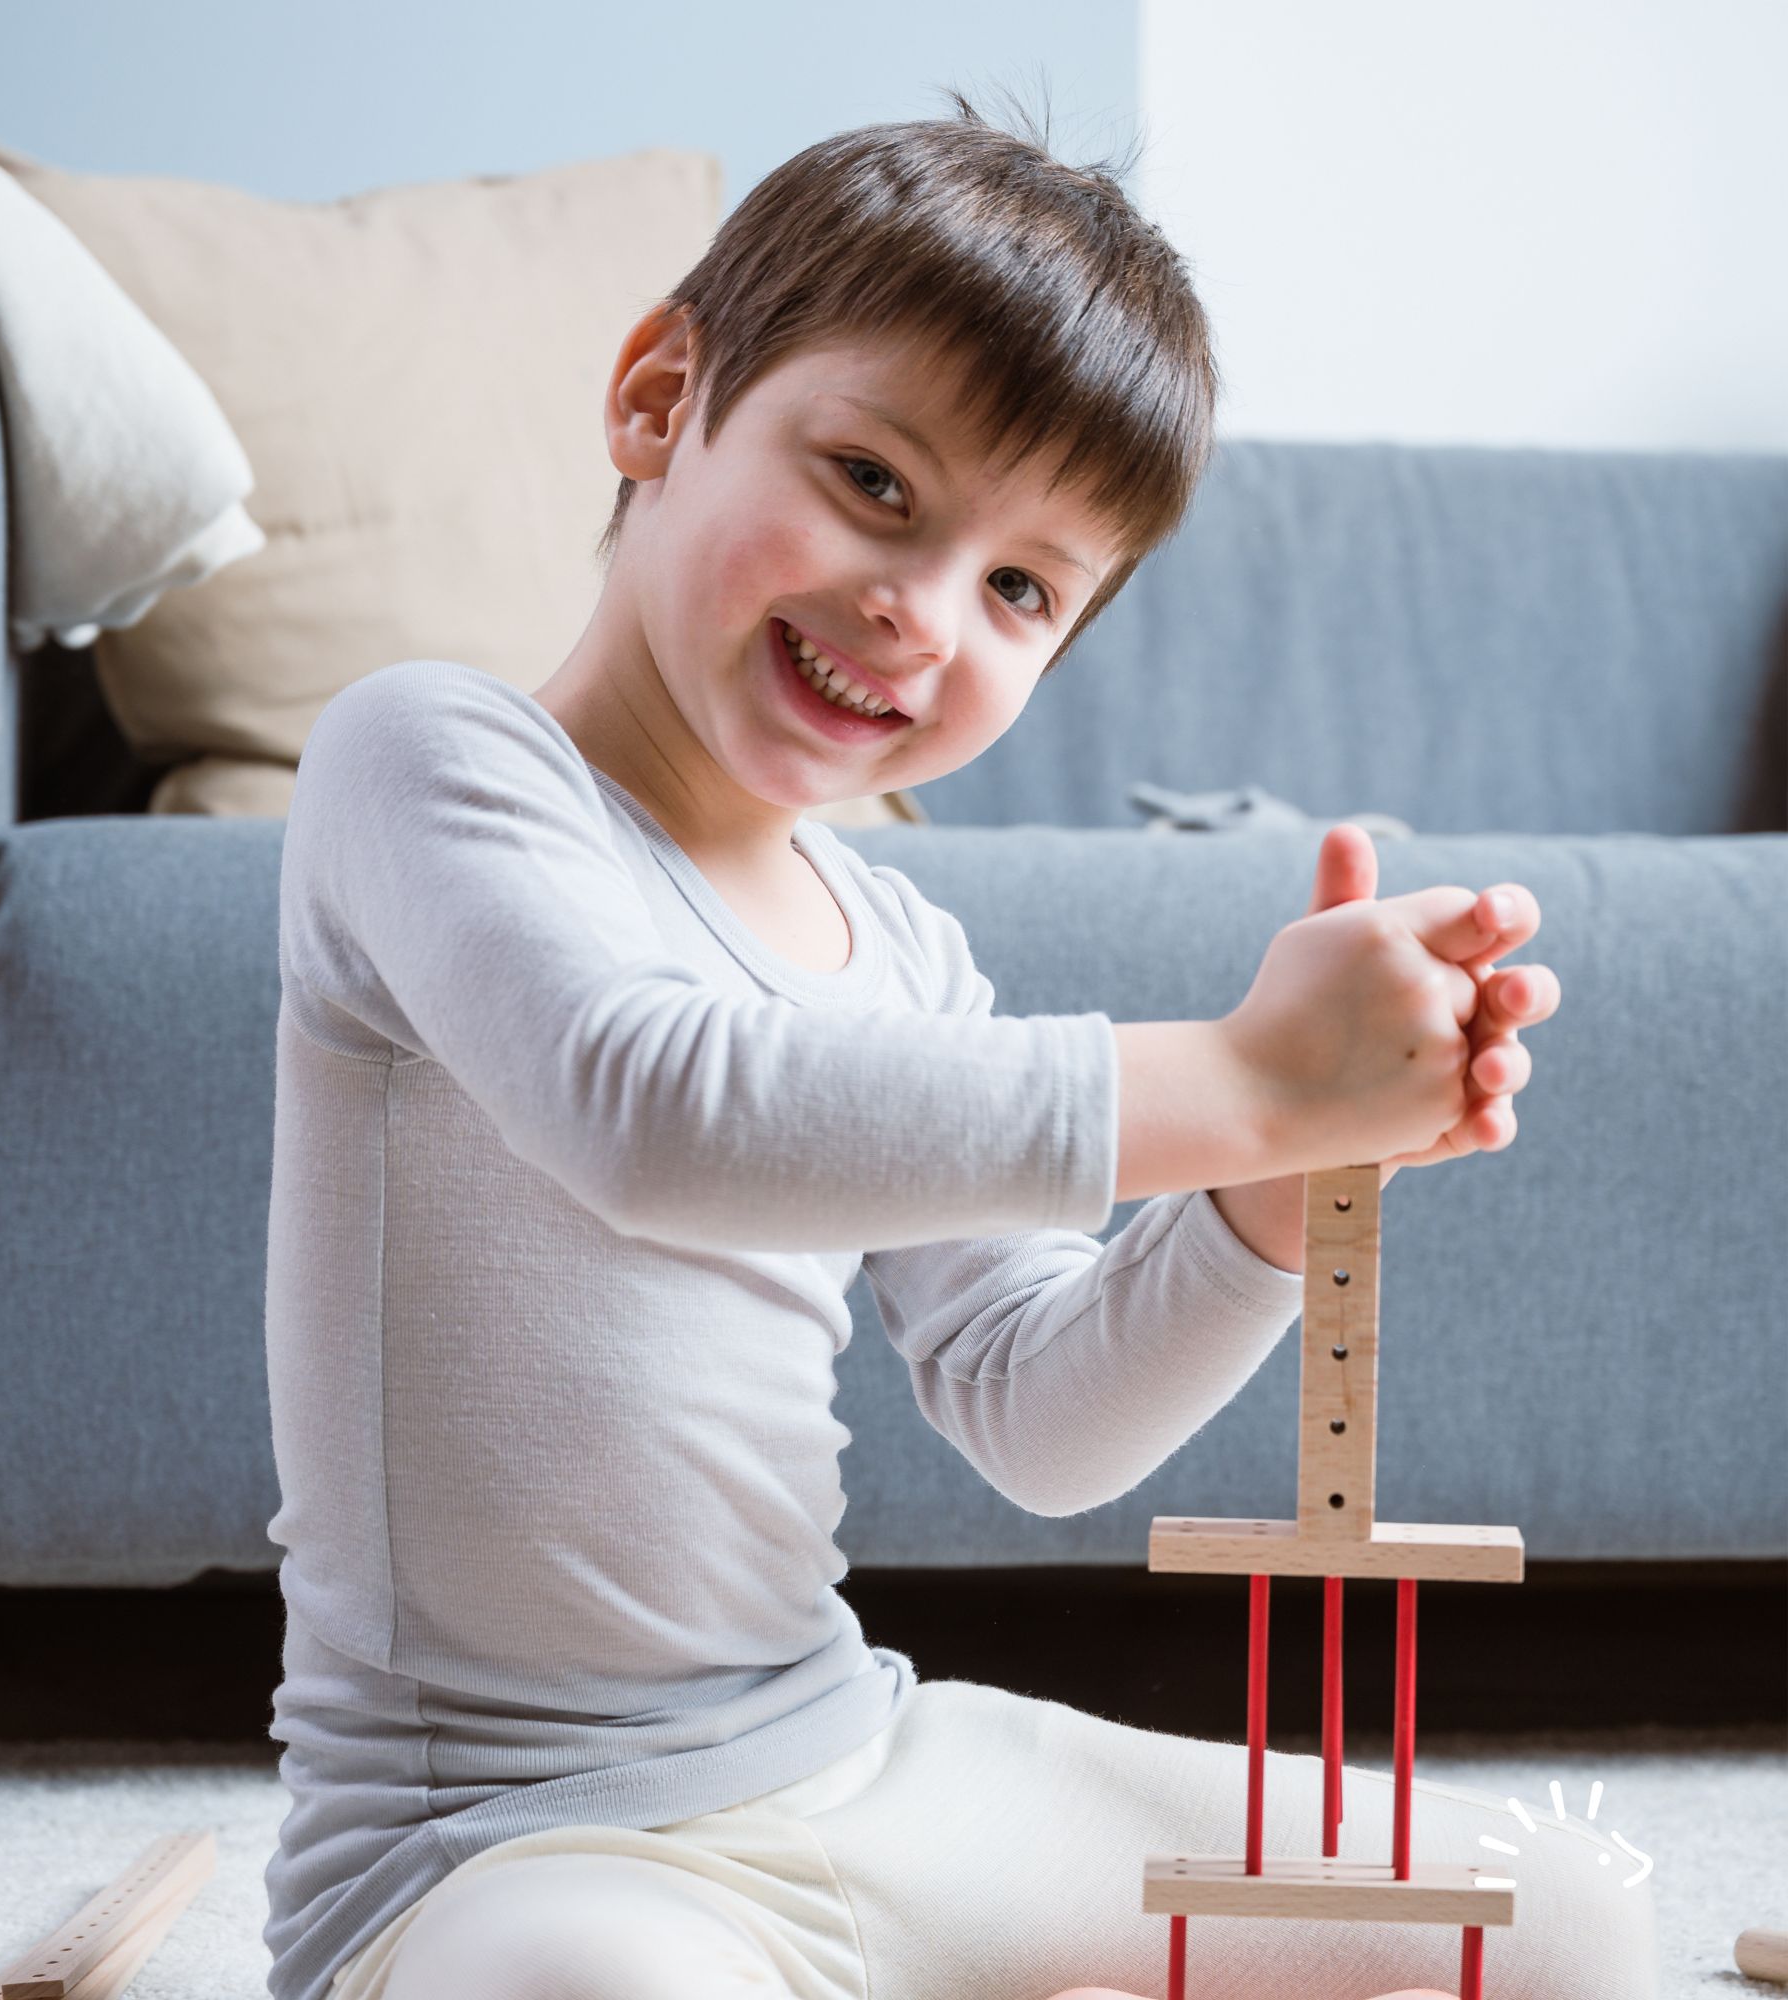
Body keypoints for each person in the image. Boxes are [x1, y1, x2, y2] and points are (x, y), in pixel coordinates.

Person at [260, 86, 1650, 2000]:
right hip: (510, 1837)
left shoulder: (902, 949)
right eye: (874, 484)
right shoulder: (434, 759)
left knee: (1560, 1920)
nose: (918, 615)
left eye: (1020, 589)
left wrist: (1263, 1190)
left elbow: (1043, 1418)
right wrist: (1241, 1072)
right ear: (660, 400)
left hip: (864, 1763)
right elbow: (651, 1110)